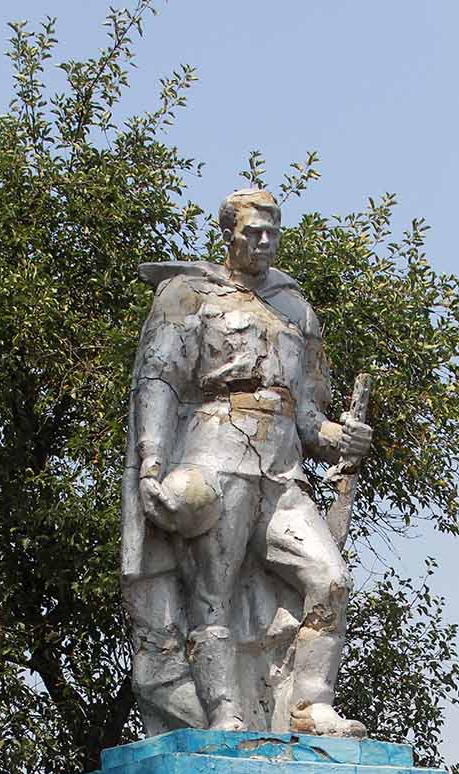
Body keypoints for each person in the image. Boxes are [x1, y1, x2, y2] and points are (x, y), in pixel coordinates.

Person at [121, 188, 372, 736]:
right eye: (252, 230)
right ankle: (226, 715)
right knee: (213, 594)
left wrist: (341, 437)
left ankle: (310, 706)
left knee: (331, 580)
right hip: (215, 456)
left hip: (282, 473)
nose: (264, 241)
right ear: (228, 234)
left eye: (273, 230)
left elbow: (308, 417)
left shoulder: (295, 307)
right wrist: (151, 462)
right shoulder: (189, 294)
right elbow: (159, 382)